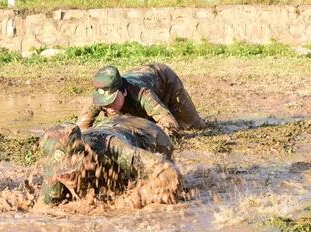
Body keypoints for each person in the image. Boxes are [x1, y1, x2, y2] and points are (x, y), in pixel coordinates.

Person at [38, 115, 182, 208]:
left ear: (85, 154)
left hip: (147, 133)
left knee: (153, 190)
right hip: (110, 127)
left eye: (71, 169)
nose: (66, 176)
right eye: (61, 171)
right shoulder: (54, 164)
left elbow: (167, 171)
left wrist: (135, 202)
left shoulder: (114, 148)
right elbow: (45, 208)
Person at [77, 63, 206, 137]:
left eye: (112, 101)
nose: (108, 107)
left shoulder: (142, 93)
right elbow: (80, 130)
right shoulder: (100, 95)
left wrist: (146, 138)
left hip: (165, 80)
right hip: (140, 77)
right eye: (104, 103)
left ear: (124, 92)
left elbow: (171, 127)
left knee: (194, 127)